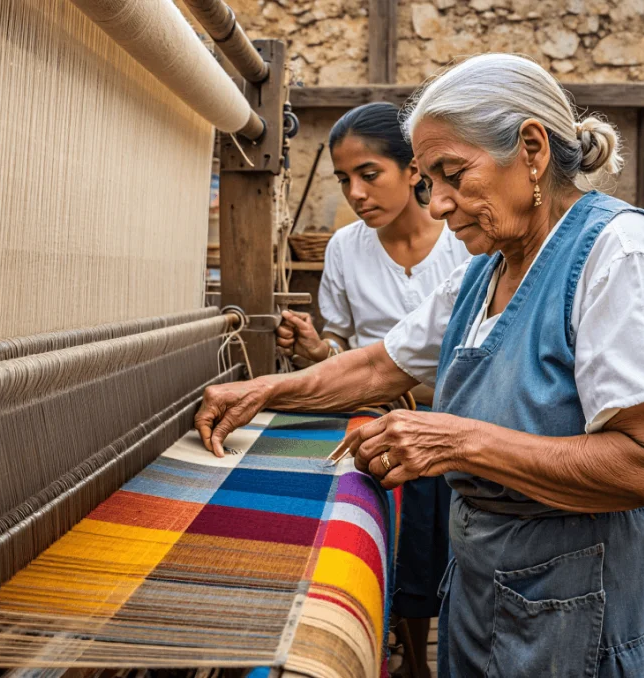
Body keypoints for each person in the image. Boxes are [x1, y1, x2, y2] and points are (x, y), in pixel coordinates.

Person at [197, 54, 644, 677]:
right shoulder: (486, 270)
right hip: (498, 587)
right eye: (428, 181)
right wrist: (266, 391)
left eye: (452, 174)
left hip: (599, 596)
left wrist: (458, 442)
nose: (438, 204)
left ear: (531, 150)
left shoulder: (620, 256)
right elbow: (378, 367)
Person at [276, 102, 469, 676]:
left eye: (369, 174)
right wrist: (317, 351)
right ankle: (408, 655)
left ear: (413, 171)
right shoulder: (345, 248)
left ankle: (440, 649)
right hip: (382, 422)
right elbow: (341, 346)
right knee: (400, 549)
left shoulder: (464, 244)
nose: (356, 193)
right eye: (343, 179)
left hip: (460, 423)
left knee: (454, 552)